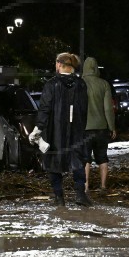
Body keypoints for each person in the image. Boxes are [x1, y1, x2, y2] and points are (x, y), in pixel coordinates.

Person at [33, 52, 91, 207]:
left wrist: (39, 128)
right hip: (76, 130)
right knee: (78, 161)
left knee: (54, 162)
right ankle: (80, 194)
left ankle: (59, 197)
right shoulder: (81, 84)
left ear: (59, 64)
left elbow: (44, 108)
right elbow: (84, 109)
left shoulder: (51, 84)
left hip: (54, 130)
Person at [81, 57, 117, 193]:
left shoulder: (80, 83)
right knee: (102, 157)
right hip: (102, 128)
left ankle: (85, 186)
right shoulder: (104, 84)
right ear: (96, 68)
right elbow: (108, 108)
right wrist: (112, 127)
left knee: (85, 158)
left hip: (85, 128)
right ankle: (103, 186)